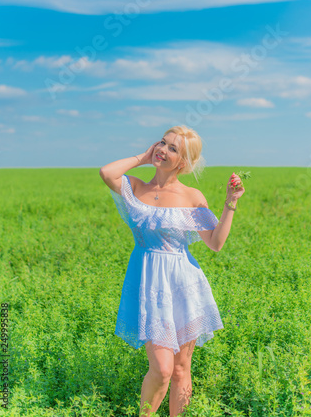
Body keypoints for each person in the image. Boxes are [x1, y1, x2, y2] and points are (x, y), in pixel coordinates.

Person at [99, 125, 245, 417]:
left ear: (184, 162)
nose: (163, 150)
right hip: (149, 283)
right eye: (163, 143)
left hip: (183, 284)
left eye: (173, 149)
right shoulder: (137, 188)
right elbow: (107, 173)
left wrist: (230, 203)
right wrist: (144, 155)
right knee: (162, 369)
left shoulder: (192, 197)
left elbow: (215, 243)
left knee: (180, 369)